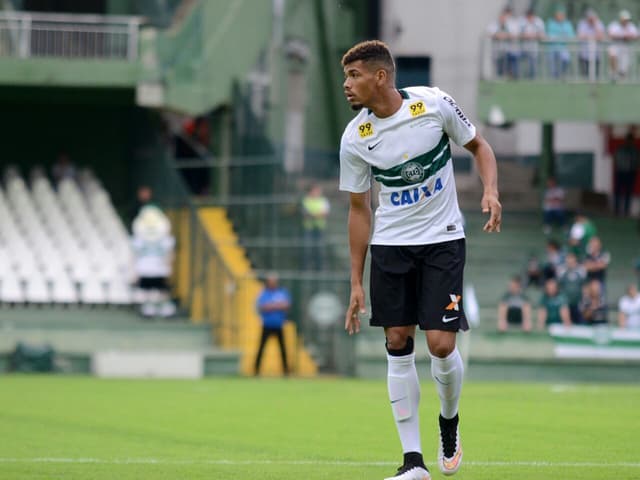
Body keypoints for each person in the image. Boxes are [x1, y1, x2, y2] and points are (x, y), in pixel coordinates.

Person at [340, 40, 501, 480]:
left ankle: (448, 423)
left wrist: (489, 190)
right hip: (391, 246)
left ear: (381, 76)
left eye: (353, 76)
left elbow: (480, 147)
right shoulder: (355, 138)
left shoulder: (434, 104)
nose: (347, 86)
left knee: (441, 345)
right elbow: (359, 210)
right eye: (345, 78)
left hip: (443, 239)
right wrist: (356, 281)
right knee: (396, 341)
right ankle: (413, 463)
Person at [131, 205, 176, 318]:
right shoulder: (139, 240)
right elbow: (134, 256)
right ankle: (149, 308)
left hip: (160, 268)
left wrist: (168, 265)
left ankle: (165, 308)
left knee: (162, 289)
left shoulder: (165, 239)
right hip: (145, 268)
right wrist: (134, 271)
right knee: (147, 290)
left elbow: (169, 253)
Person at [254, 272, 291, 376]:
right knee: (261, 348)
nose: (272, 283)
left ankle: (286, 371)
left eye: (274, 281)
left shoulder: (282, 292)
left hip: (279, 325)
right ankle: (256, 370)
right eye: (271, 281)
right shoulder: (264, 293)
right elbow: (262, 307)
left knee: (283, 349)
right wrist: (277, 306)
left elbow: (286, 305)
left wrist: (271, 306)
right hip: (267, 325)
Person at [301, 183, 331, 270]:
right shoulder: (305, 200)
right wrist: (318, 215)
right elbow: (305, 214)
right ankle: (306, 269)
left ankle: (319, 269)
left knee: (320, 250)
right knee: (307, 250)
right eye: (316, 190)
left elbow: (325, 213)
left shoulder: (323, 200)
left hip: (320, 229)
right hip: (308, 228)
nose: (318, 192)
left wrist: (312, 215)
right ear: (311, 191)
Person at [487, 6, 521, 79]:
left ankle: (512, 77)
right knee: (500, 67)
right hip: (498, 50)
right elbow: (490, 33)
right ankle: (501, 78)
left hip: (510, 49)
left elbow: (515, 34)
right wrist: (498, 35)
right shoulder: (495, 23)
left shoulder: (512, 23)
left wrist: (506, 35)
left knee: (511, 65)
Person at [612, 131, 639, 216]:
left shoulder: (635, 150)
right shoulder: (620, 149)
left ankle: (626, 212)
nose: (629, 142)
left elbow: (637, 162)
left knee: (628, 194)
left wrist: (632, 168)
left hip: (630, 173)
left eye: (631, 141)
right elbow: (616, 159)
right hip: (621, 173)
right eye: (628, 140)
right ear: (626, 140)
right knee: (618, 193)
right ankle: (616, 212)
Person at [607, 10, 639, 81]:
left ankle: (621, 78)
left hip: (626, 49)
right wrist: (623, 36)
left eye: (627, 20)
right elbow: (611, 35)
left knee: (623, 70)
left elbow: (635, 36)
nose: (626, 21)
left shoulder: (631, 26)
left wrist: (627, 37)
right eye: (624, 19)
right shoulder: (614, 25)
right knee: (612, 53)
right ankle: (613, 74)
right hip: (616, 46)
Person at [545, 6, 575, 78]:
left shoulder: (567, 24)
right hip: (552, 48)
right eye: (558, 15)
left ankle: (561, 74)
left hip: (563, 47)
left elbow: (571, 35)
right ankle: (554, 77)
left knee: (566, 60)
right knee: (552, 64)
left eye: (561, 15)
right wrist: (560, 37)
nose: (559, 17)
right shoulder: (551, 23)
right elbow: (549, 35)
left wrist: (560, 37)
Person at [556, 251, 586, 324]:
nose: (570, 263)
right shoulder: (561, 270)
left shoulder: (581, 270)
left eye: (572, 261)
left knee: (580, 320)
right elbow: (558, 286)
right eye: (568, 261)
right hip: (565, 302)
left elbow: (584, 286)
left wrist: (585, 299)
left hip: (578, 301)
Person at [576, 8, 605, 78]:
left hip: (596, 54)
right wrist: (592, 37)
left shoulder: (599, 23)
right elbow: (580, 36)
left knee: (596, 76)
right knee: (585, 76)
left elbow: (601, 36)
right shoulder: (582, 24)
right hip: (584, 54)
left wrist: (595, 25)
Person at [519, 8, 546, 78]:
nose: (530, 18)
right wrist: (526, 36)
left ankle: (533, 78)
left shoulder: (538, 21)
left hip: (534, 47)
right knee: (522, 64)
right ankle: (522, 77)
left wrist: (534, 35)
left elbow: (542, 35)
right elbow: (518, 34)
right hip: (523, 47)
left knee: (533, 64)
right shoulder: (522, 21)